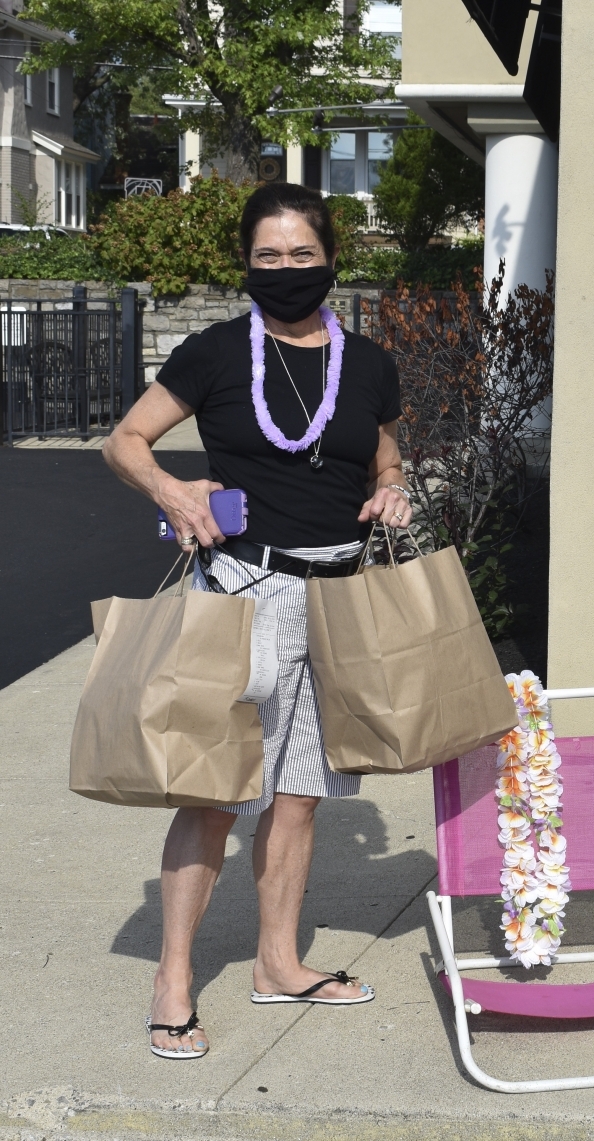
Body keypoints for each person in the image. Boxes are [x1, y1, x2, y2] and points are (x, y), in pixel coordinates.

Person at [103, 182, 412, 1060]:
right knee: (214, 794)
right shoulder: (209, 353)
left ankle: (277, 962)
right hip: (242, 591)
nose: (284, 270)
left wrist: (389, 487)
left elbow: (383, 457)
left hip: (339, 596)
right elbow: (125, 440)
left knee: (301, 793)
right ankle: (172, 980)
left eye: (300, 255)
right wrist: (170, 485)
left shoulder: (373, 363)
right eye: (268, 257)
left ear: (330, 258)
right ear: (248, 262)